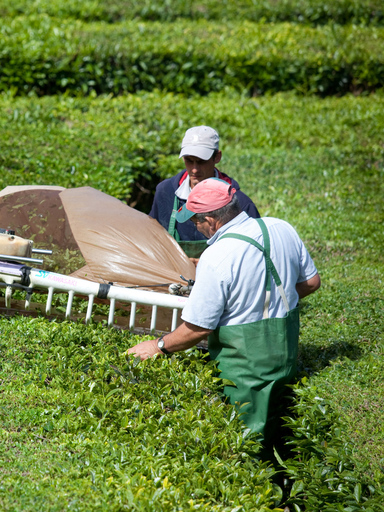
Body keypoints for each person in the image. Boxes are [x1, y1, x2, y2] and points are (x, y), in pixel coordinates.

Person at [127, 178, 321, 454]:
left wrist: (157, 346)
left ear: (210, 220)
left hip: (245, 368)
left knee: (246, 445)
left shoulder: (217, 256)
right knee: (283, 434)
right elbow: (311, 282)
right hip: (285, 352)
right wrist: (268, 302)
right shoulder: (281, 227)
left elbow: (197, 328)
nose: (195, 227)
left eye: (195, 221)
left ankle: (260, 495)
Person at [149, 126, 260, 261]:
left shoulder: (239, 203)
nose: (195, 170)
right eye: (189, 160)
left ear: (217, 157)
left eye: (201, 161)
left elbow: (253, 254)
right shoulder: (165, 192)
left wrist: (206, 265)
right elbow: (152, 239)